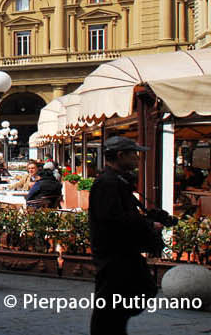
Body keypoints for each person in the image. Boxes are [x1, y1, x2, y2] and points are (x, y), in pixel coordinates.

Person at [89, 136, 163, 335]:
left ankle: (113, 328)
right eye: (133, 154)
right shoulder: (108, 183)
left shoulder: (116, 181)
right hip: (114, 252)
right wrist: (148, 225)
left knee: (141, 289)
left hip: (122, 251)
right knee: (113, 300)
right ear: (120, 155)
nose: (137, 159)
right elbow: (112, 218)